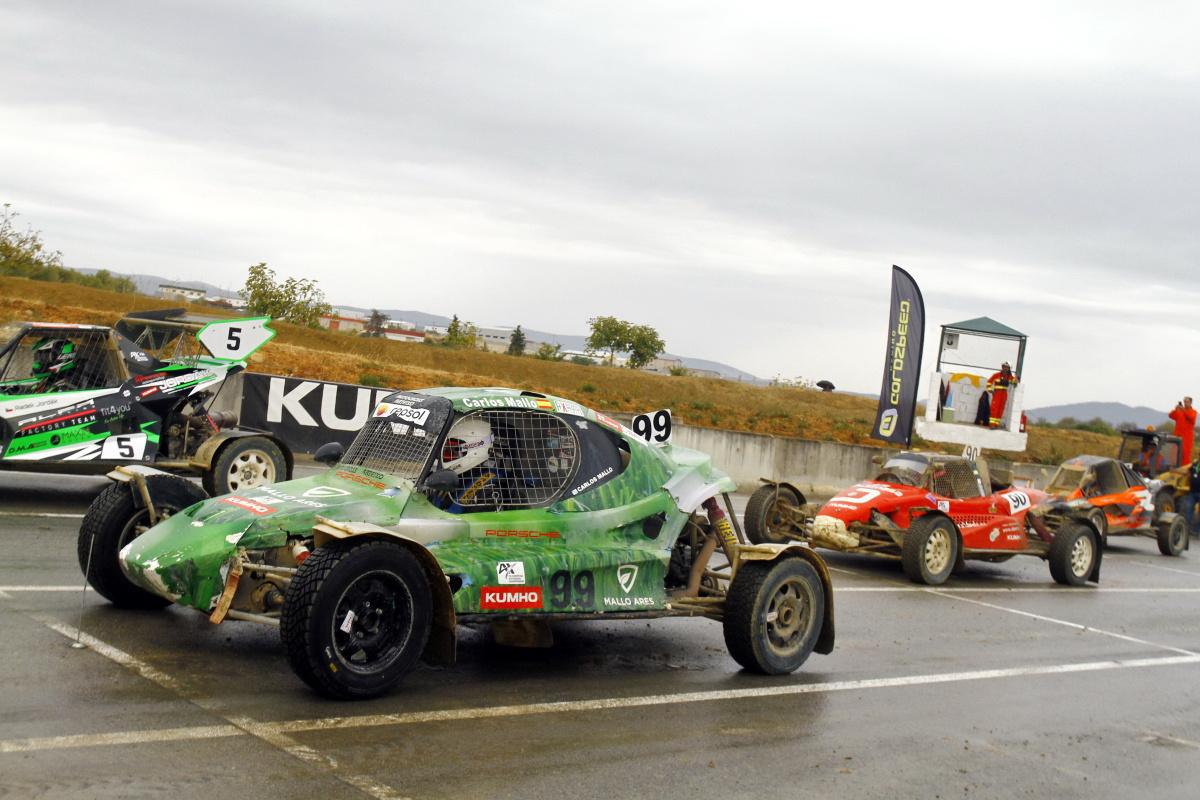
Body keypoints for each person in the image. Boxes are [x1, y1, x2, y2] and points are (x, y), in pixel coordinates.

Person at [986, 362, 1019, 429]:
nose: (1005, 368)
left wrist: (1016, 380)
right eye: (1004, 367)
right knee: (994, 408)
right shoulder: (996, 375)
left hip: (1004, 394)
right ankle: (992, 424)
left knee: (1001, 409)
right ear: (1002, 367)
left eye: (1007, 367)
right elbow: (989, 382)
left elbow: (1014, 382)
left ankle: (996, 424)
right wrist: (990, 390)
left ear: (1009, 369)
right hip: (997, 394)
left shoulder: (1009, 376)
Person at [1169, 397, 1196, 464]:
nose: (1185, 403)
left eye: (1187, 402)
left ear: (1190, 403)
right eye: (1184, 402)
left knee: (1185, 454)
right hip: (1177, 436)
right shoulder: (1180, 412)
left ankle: (1184, 470)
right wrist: (1176, 409)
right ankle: (1173, 468)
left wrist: (1182, 409)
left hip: (1186, 438)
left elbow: (1190, 417)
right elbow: (1170, 415)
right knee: (1174, 453)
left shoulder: (1193, 412)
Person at [1181, 456, 1200, 536]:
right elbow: (1188, 472)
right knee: (1188, 510)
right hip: (1192, 492)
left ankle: (1197, 530)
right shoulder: (1195, 464)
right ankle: (1186, 529)